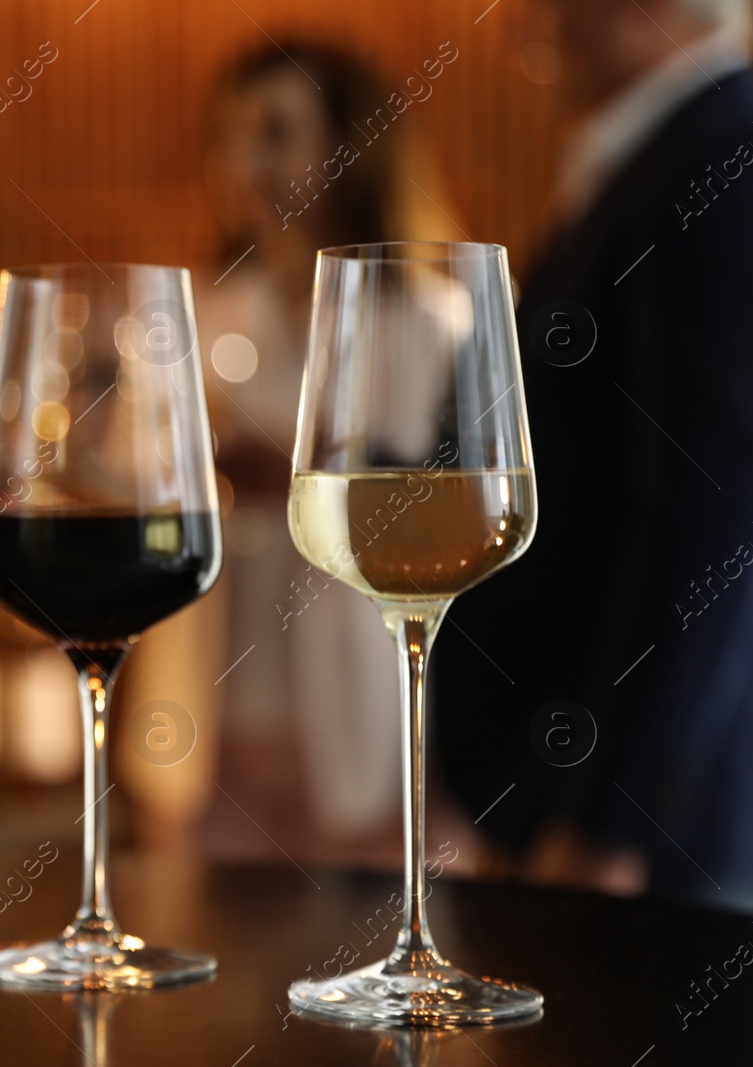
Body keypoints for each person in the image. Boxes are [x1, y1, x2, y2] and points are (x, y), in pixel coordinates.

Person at [435, 0, 753, 910]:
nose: (519, 20)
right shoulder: (659, 153)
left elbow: (720, 517)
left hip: (662, 853)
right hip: (579, 814)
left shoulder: (723, 159)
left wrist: (610, 826)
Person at [117, 43, 474, 869]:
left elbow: (462, 529)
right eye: (230, 137)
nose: (244, 163)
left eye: (276, 133)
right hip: (206, 728)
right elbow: (124, 494)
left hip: (370, 729)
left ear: (350, 149)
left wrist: (300, 478)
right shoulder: (188, 322)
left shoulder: (437, 327)